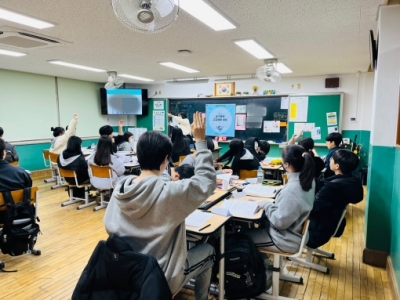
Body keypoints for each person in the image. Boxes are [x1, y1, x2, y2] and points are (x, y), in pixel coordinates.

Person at [104, 112, 216, 299]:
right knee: (209, 252)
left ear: (138, 155)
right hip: (161, 278)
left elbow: (109, 225)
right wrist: (201, 142)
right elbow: (207, 181)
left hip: (126, 272)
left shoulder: (121, 189)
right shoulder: (171, 194)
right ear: (165, 160)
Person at [244, 145, 316, 253]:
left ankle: (258, 267)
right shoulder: (307, 179)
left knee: (240, 238)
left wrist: (266, 204)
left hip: (283, 239)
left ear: (286, 164)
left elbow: (279, 222)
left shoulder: (293, 189)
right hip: (293, 233)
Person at [307, 150, 363, 249]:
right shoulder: (350, 181)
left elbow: (313, 208)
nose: (330, 160)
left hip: (316, 232)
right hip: (328, 225)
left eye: (332, 159)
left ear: (337, 166)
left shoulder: (332, 187)